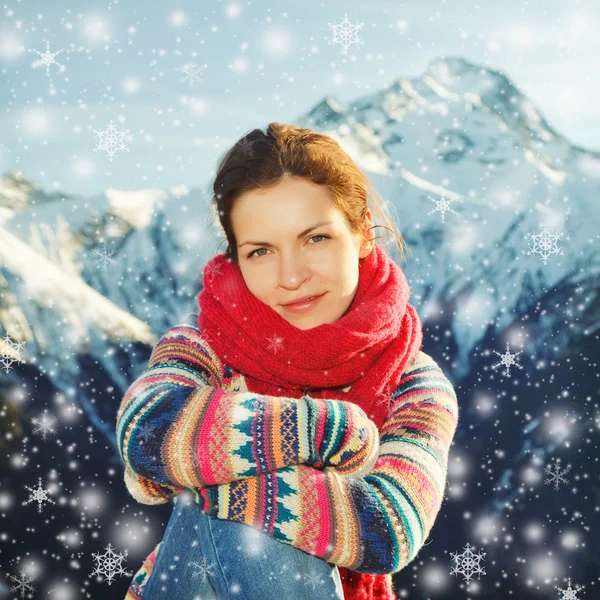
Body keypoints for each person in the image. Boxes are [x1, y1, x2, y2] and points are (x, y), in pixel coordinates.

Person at [117, 122, 459, 600]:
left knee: (230, 518)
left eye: (315, 238)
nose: (291, 276)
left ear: (362, 232)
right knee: (243, 530)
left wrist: (205, 476)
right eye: (260, 251)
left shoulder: (413, 381)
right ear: (236, 259)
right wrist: (325, 430)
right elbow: (146, 431)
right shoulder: (203, 347)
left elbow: (389, 526)